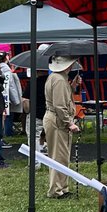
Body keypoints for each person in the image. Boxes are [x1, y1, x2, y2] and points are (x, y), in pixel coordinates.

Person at [41, 56, 81, 197]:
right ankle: (56, 190)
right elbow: (59, 105)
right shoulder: (59, 80)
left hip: (55, 119)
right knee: (59, 155)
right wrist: (69, 123)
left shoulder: (57, 78)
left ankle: (61, 188)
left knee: (61, 155)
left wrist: (72, 86)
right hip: (57, 120)